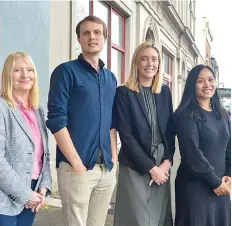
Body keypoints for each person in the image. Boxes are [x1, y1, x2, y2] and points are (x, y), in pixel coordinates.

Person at [46, 15, 117, 226]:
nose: (92, 37)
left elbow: (112, 122)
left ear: (104, 38)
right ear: (78, 39)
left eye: (97, 33)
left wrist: (114, 158)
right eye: (86, 33)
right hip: (77, 168)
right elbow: (56, 120)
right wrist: (76, 163)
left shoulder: (110, 78)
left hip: (106, 169)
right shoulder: (65, 72)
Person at [113, 42, 175, 226]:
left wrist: (166, 162)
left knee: (158, 217)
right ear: (136, 63)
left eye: (154, 59)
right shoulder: (123, 93)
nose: (150, 63)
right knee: (136, 220)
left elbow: (170, 130)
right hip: (134, 164)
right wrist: (151, 168)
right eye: (144, 58)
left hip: (161, 163)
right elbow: (126, 135)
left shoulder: (164, 91)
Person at [173, 64, 231, 226]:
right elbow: (192, 154)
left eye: (211, 80)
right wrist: (215, 182)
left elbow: (228, 147)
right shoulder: (187, 115)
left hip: (221, 186)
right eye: (200, 81)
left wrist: (229, 173)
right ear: (192, 85)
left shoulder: (222, 113)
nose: (207, 85)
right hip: (195, 187)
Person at [0, 52, 52, 226]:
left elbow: (44, 154)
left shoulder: (38, 110)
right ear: (8, 75)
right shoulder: (2, 108)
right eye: (17, 70)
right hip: (5, 197)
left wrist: (44, 186)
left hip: (33, 191)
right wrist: (25, 194)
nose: (25, 75)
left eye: (29, 70)